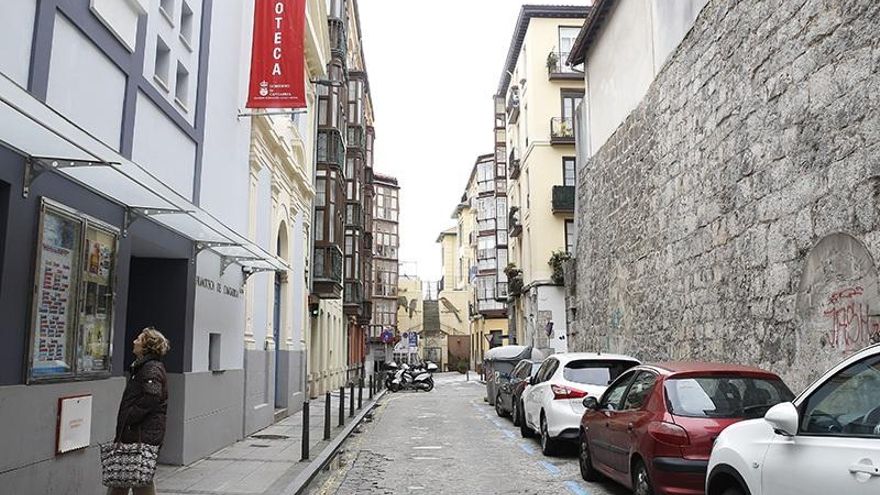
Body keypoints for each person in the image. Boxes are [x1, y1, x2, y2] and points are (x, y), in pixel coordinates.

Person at [108, 327, 170, 495]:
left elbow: (152, 397)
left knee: (135, 478)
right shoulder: (142, 367)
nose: (134, 341)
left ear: (146, 346)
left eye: (139, 339)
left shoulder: (151, 369)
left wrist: (130, 416)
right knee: (128, 477)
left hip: (141, 433)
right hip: (136, 432)